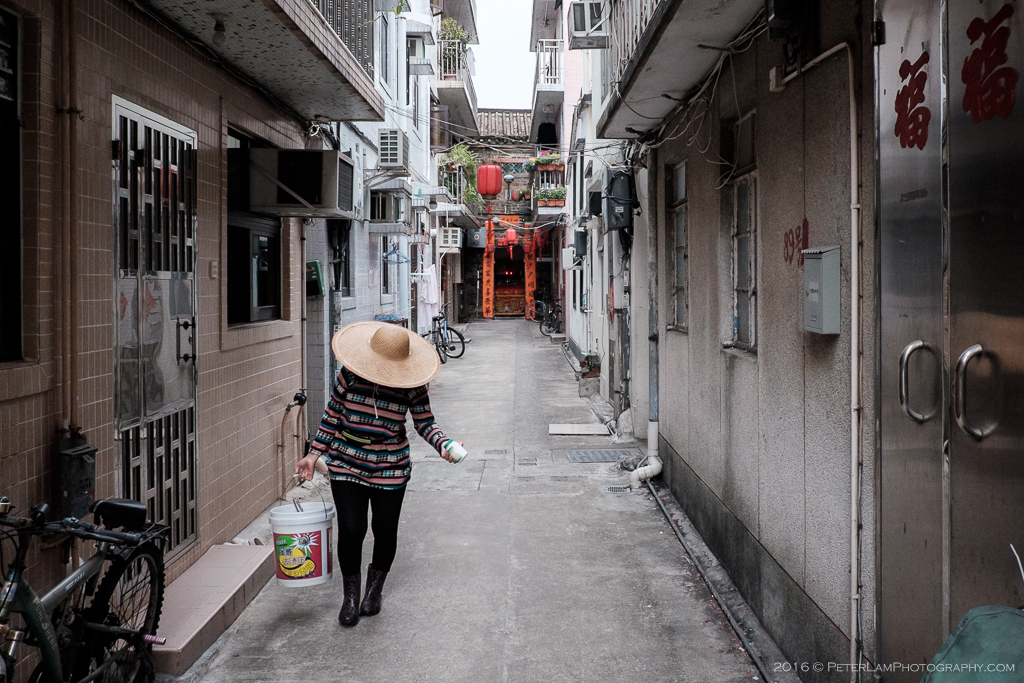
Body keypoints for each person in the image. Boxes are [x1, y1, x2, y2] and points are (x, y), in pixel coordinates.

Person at [295, 321, 462, 627]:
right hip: (346, 461)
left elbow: (425, 422)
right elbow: (332, 415)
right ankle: (350, 597)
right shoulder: (349, 375)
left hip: (391, 465)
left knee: (384, 530)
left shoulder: (412, 383)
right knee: (352, 529)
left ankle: (374, 591)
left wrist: (443, 444)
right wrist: (313, 454)